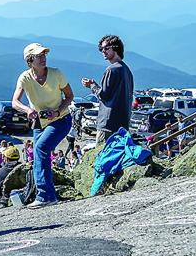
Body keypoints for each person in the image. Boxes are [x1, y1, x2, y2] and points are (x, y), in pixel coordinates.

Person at [12, 43, 74, 208]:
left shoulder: (56, 74)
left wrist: (58, 111)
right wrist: (27, 110)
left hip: (61, 119)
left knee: (40, 149)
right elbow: (15, 102)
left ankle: (45, 195)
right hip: (40, 122)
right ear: (30, 60)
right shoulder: (25, 77)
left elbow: (69, 96)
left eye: (44, 55)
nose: (43, 58)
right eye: (39, 56)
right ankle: (47, 194)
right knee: (39, 155)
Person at [82, 35, 134, 145]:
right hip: (122, 125)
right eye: (101, 49)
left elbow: (104, 96)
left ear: (116, 48)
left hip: (108, 125)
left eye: (106, 48)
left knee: (103, 156)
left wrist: (91, 86)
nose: (103, 52)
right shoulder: (126, 70)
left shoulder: (112, 70)